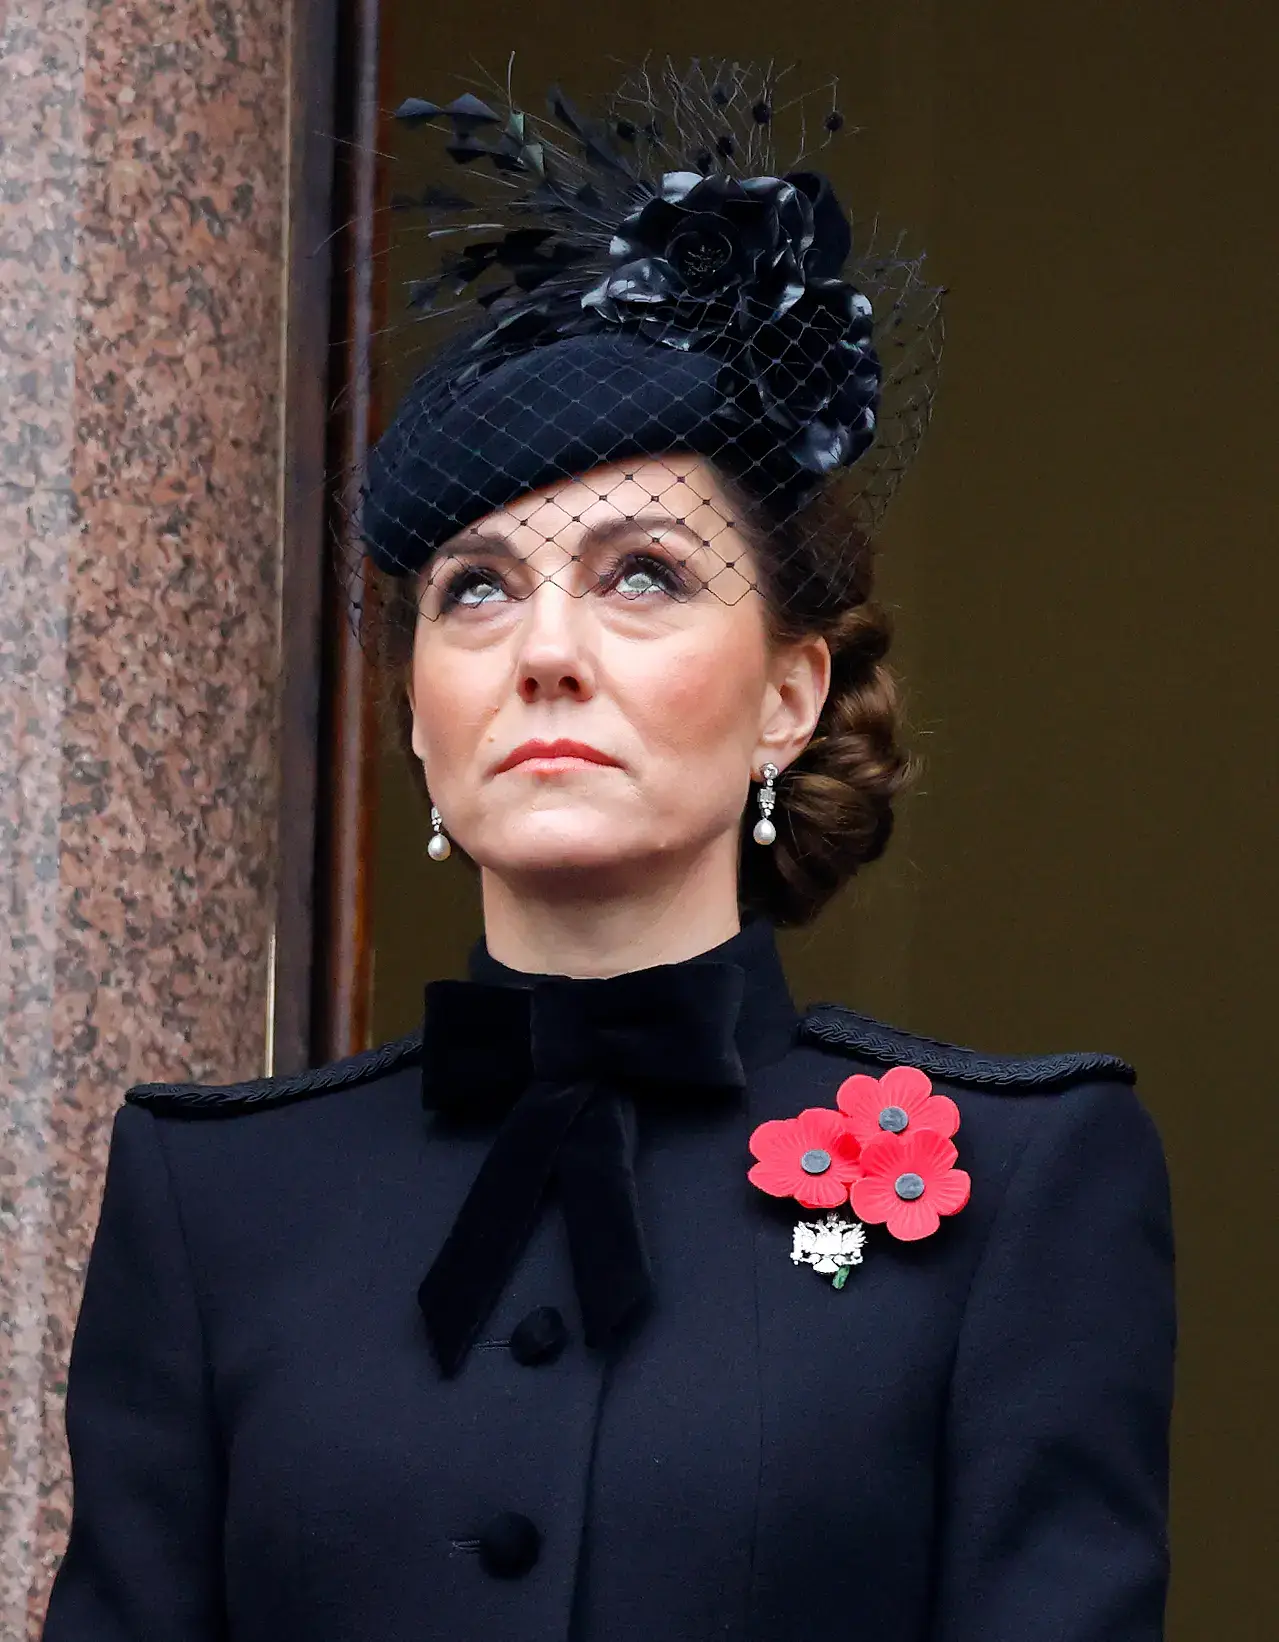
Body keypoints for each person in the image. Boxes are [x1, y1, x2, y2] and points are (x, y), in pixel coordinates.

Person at [43, 63, 1175, 1642]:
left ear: (791, 692)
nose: (546, 651)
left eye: (642, 574)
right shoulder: (215, 1201)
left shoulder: (1028, 1184)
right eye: (477, 589)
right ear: (419, 718)